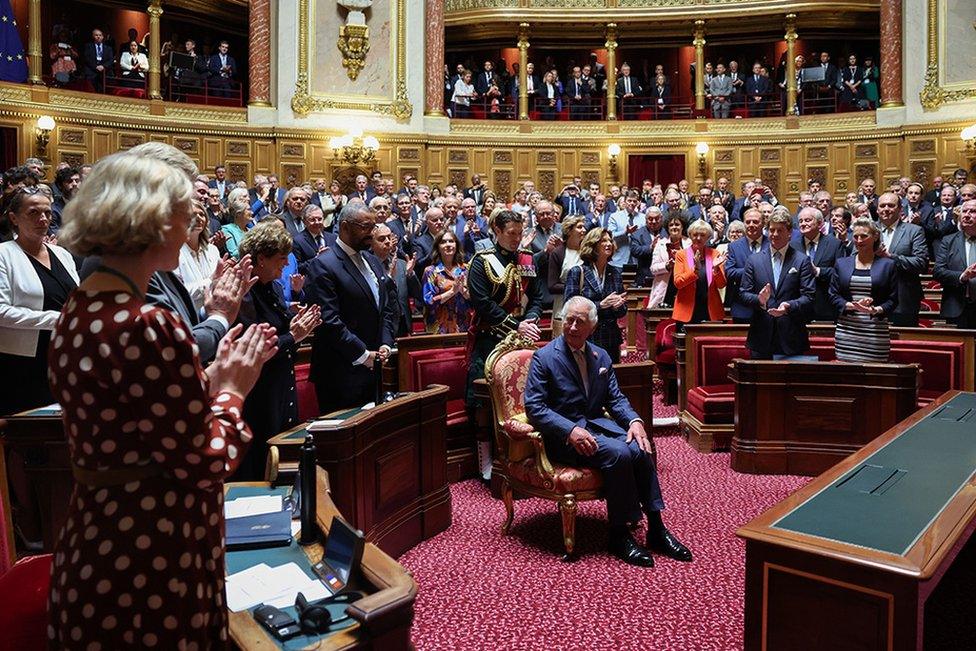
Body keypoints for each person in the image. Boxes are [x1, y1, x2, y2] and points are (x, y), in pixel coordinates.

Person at [48, 152, 276, 648]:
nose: (192, 224)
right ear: (150, 220)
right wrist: (233, 391)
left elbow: (140, 423)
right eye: (184, 213)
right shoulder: (148, 324)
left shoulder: (78, 308)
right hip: (154, 555)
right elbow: (206, 461)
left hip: (94, 544)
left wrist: (207, 382)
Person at [524, 296, 692, 567]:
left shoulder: (599, 355)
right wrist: (570, 431)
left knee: (641, 447)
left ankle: (657, 528)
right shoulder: (544, 357)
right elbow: (535, 408)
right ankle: (618, 533)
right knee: (619, 454)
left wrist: (635, 422)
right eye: (569, 320)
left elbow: (615, 399)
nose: (573, 327)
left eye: (580, 322)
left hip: (596, 426)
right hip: (564, 439)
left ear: (592, 326)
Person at [234, 222, 322, 480]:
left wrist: (294, 326)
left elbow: (281, 333)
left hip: (281, 384)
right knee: (262, 462)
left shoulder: (272, 286)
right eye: (281, 259)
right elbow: (256, 347)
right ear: (261, 258)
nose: (286, 265)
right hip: (258, 394)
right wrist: (294, 335)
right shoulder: (243, 293)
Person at [466, 210, 544, 477]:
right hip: (490, 341)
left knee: (526, 399)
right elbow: (483, 303)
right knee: (485, 404)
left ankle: (523, 456)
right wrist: (515, 325)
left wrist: (531, 318)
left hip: (523, 340)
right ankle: (486, 462)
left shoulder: (527, 259)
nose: (516, 239)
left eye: (520, 234)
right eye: (511, 233)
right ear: (497, 232)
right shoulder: (482, 262)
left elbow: (536, 296)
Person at [305, 202, 397, 413]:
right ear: (345, 227)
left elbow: (385, 309)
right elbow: (328, 321)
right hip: (341, 373)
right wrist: (363, 355)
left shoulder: (372, 260)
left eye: (373, 227)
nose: (371, 233)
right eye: (365, 227)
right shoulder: (323, 265)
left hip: (373, 368)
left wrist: (385, 343)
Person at [0, 187, 79, 416]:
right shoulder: (4, 254)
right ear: (14, 218)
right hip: (23, 362)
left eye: (47, 212)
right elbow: (2, 311)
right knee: (28, 434)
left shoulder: (62, 254)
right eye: (33, 213)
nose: (43, 219)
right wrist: (55, 320)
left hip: (64, 354)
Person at [739, 210, 816, 359]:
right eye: (771, 230)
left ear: (789, 233)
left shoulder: (802, 260)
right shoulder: (754, 260)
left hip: (791, 335)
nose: (774, 234)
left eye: (779, 230)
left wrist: (788, 306)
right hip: (761, 336)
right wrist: (759, 300)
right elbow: (743, 293)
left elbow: (809, 296)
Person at [828, 217, 897, 362]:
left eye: (864, 236)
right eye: (856, 236)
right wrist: (851, 305)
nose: (859, 240)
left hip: (875, 332)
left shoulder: (888, 265)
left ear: (875, 236)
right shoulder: (842, 264)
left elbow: (893, 300)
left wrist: (875, 309)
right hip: (847, 331)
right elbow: (833, 295)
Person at [564, 228, 627, 363]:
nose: (609, 243)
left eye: (610, 240)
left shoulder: (615, 273)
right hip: (585, 337)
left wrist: (617, 306)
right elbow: (569, 304)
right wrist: (600, 305)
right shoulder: (577, 272)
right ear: (592, 244)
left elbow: (623, 311)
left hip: (610, 339)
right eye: (603, 241)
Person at [874, 192, 928, 327]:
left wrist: (891, 257)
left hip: (903, 299)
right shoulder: (866, 230)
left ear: (900, 209)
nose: (886, 209)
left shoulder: (914, 231)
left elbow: (921, 262)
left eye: (891, 205)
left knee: (903, 345)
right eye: (882, 206)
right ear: (877, 209)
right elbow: (853, 258)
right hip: (871, 299)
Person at [790, 207, 846, 322]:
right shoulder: (792, 246)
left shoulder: (835, 244)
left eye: (807, 220)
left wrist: (818, 271)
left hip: (825, 305)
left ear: (820, 223)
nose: (803, 224)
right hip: (799, 307)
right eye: (800, 221)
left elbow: (842, 274)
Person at [671, 221, 727, 326]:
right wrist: (695, 270)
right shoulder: (681, 255)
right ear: (690, 236)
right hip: (686, 311)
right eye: (695, 234)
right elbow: (678, 282)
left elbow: (721, 284)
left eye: (702, 235)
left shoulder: (715, 254)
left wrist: (716, 269)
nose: (698, 238)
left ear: (708, 237)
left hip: (710, 310)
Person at [933, 199, 976, 329]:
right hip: (956, 307)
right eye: (964, 211)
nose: (967, 215)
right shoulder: (948, 240)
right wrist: (963, 276)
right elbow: (938, 271)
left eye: (973, 211)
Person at [422, 230, 471, 334]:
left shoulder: (466, 270)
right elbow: (429, 301)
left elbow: (474, 299)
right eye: (443, 242)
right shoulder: (431, 271)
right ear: (438, 248)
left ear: (456, 245)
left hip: (463, 326)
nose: (448, 245)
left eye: (451, 241)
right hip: (439, 328)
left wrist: (463, 291)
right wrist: (452, 292)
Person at [176, 201, 221, 313]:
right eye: (192, 214)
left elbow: (218, 284)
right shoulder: (174, 252)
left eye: (201, 214)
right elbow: (180, 292)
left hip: (216, 313)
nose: (199, 218)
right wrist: (211, 280)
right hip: (190, 316)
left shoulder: (212, 250)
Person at [547, 215, 586, 332]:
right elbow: (552, 286)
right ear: (569, 230)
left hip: (585, 306)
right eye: (579, 227)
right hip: (563, 306)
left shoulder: (587, 252)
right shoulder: (558, 253)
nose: (584, 230)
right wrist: (575, 288)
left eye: (584, 227)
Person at [292, 204, 336, 274]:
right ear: (304, 222)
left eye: (320, 219)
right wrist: (317, 258)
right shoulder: (297, 241)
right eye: (312, 220)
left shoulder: (333, 238)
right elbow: (298, 268)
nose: (317, 222)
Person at [221, 187, 253, 258]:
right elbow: (235, 254)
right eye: (248, 210)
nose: (252, 212)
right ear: (238, 213)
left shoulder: (251, 231)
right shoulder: (227, 229)